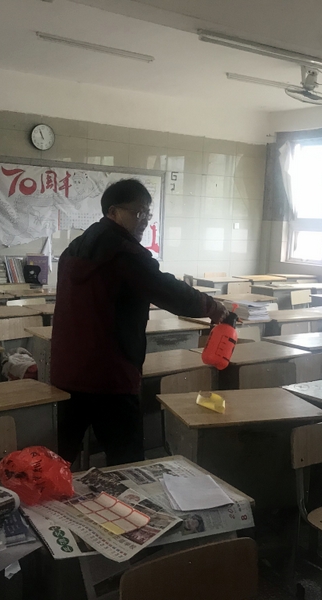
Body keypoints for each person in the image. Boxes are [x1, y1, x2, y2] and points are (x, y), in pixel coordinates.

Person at [51, 178, 228, 466]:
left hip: (67, 372)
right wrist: (211, 307)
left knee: (60, 464)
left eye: (147, 213)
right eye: (137, 212)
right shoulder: (125, 253)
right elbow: (167, 290)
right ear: (113, 212)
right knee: (128, 465)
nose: (144, 220)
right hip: (110, 375)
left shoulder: (74, 248)